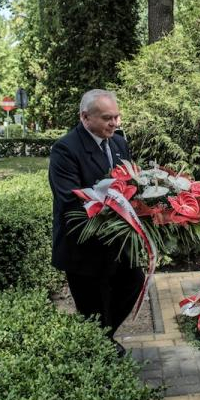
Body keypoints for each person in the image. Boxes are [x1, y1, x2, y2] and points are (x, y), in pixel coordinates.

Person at [48, 89, 144, 356]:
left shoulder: (119, 143)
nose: (114, 123)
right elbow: (70, 201)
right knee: (93, 307)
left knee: (134, 281)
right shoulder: (65, 149)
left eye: (116, 116)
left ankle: (101, 340)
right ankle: (98, 350)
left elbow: (131, 183)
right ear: (85, 117)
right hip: (84, 247)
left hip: (117, 243)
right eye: (107, 118)